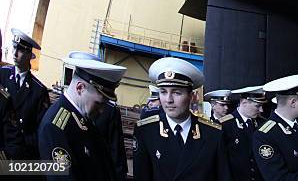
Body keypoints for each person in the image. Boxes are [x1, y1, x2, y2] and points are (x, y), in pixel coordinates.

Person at [133, 57, 231, 180]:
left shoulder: (213, 134)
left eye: (177, 93)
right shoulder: (146, 131)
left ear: (192, 97)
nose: (168, 100)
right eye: (163, 92)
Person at [38, 51, 126, 180]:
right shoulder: (55, 127)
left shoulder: (83, 117)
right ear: (80, 88)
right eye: (98, 103)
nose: (102, 111)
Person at [0, 29, 50, 159]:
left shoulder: (39, 91)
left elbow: (41, 131)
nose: (15, 54)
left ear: (29, 55)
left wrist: (19, 148)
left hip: (19, 154)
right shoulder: (2, 75)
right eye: (14, 47)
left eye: (20, 50)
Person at [220, 85, 267, 181]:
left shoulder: (263, 123)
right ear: (244, 102)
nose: (261, 110)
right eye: (257, 106)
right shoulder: (224, 125)